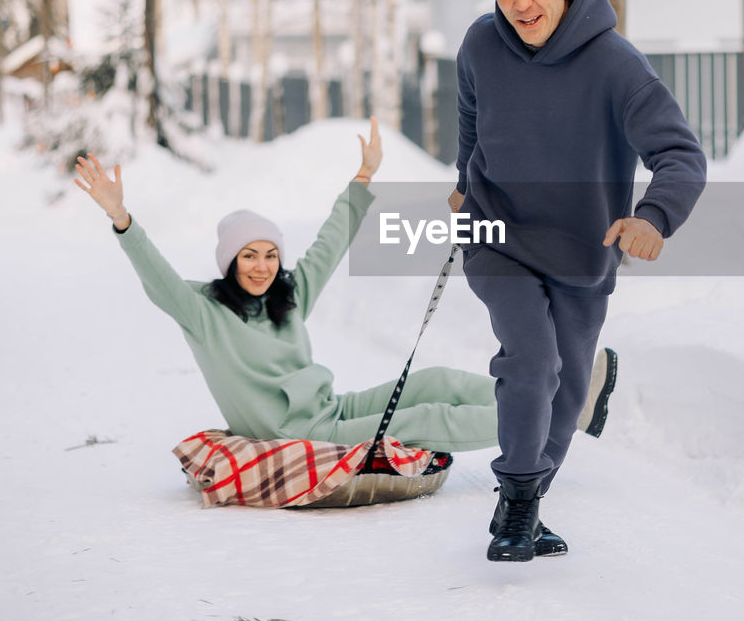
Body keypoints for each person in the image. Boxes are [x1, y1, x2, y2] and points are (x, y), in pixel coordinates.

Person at [72, 119, 614, 468]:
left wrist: (362, 179)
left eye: (269, 254)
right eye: (248, 256)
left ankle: (559, 395)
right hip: (299, 435)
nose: (262, 266)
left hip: (331, 409)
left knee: (435, 381)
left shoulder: (288, 296)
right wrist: (121, 217)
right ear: (228, 263)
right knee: (421, 421)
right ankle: (559, 416)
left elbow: (330, 244)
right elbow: (156, 275)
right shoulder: (204, 313)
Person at [451, 0, 707, 562]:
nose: (518, 1)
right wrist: (463, 186)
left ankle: (531, 503)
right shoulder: (481, 44)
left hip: (581, 250)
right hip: (496, 237)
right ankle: (513, 508)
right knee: (532, 361)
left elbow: (680, 155)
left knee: (567, 391)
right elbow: (471, 120)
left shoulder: (616, 64)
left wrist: (653, 217)